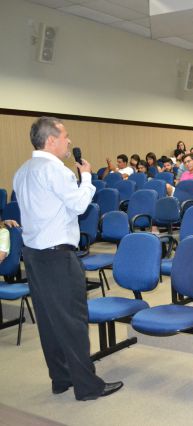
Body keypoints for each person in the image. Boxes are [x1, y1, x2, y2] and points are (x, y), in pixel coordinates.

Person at [13, 117, 123, 400]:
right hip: (58, 257)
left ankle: (61, 378)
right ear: (51, 140)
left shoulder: (22, 171)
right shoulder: (55, 170)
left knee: (49, 320)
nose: (69, 141)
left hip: (33, 255)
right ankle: (87, 386)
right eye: (65, 136)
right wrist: (86, 177)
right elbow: (79, 204)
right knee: (73, 321)